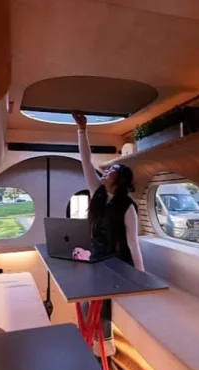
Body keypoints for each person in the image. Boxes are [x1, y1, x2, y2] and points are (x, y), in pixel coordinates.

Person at [73, 111, 145, 357]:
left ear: (119, 179)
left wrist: (141, 276)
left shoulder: (127, 207)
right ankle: (93, 343)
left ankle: (104, 344)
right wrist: (82, 129)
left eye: (112, 169)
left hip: (117, 264)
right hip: (97, 259)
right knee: (84, 302)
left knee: (97, 300)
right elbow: (85, 160)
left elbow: (133, 243)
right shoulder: (97, 193)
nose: (106, 170)